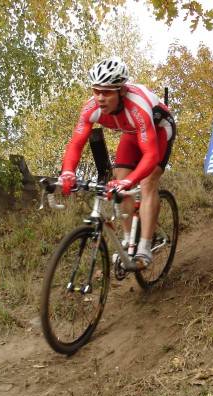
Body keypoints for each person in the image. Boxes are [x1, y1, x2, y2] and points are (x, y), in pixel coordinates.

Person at [58, 56, 176, 271]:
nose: (100, 98)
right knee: (120, 183)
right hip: (132, 134)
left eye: (107, 92)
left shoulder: (137, 107)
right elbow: (76, 143)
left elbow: (150, 155)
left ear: (121, 91)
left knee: (148, 184)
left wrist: (131, 180)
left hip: (159, 130)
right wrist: (67, 172)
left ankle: (145, 247)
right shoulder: (90, 109)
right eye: (96, 91)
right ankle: (129, 240)